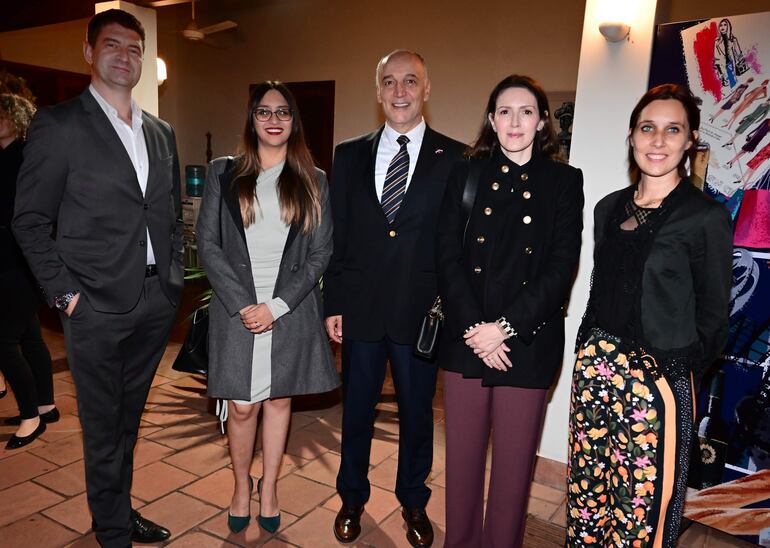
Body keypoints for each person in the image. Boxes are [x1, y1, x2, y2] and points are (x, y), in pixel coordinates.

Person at [13, 9, 182, 546]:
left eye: (135, 48)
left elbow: (168, 211)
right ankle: (112, 532)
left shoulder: (162, 132)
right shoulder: (58, 125)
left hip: (156, 300)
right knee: (103, 427)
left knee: (129, 420)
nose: (125, 57)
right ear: (89, 52)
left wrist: (173, 274)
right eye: (113, 45)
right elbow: (29, 221)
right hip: (94, 307)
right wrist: (66, 295)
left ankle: (119, 509)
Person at [567, 84, 733, 547]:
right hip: (595, 374)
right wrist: (586, 351)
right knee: (587, 496)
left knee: (642, 510)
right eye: (648, 128)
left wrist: (675, 371)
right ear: (631, 136)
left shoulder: (705, 218)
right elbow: (602, 288)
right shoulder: (606, 208)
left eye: (672, 130)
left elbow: (715, 315)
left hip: (657, 380)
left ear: (690, 140)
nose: (657, 141)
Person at [436, 74, 584, 547]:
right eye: (504, 111)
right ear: (491, 119)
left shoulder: (564, 181)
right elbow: (445, 257)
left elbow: (562, 266)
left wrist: (504, 329)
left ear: (543, 121)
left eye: (525, 111)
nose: (514, 121)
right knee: (460, 468)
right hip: (466, 343)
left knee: (513, 475)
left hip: (527, 343)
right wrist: (475, 329)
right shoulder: (465, 173)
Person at [324, 49, 464, 546]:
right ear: (378, 90)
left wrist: (451, 307)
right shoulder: (348, 153)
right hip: (360, 310)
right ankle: (351, 498)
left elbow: (458, 245)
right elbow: (339, 237)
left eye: (410, 81)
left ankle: (413, 503)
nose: (399, 91)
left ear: (426, 90)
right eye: (389, 82)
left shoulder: (457, 157)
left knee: (417, 416)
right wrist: (334, 302)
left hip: (422, 314)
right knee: (356, 411)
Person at [197, 81, 339, 535]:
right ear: (252, 119)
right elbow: (208, 246)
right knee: (241, 407)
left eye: (282, 112)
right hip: (234, 306)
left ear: (294, 121)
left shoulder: (313, 179)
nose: (273, 120)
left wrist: (275, 306)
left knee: (279, 402)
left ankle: (271, 487)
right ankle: (241, 485)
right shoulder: (223, 172)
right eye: (264, 112)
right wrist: (245, 305)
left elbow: (321, 253)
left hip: (288, 307)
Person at [1, 92, 57, 450]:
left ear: (15, 118)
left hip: (21, 261)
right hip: (8, 259)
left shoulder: (24, 157)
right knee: (31, 337)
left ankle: (30, 417)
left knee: (2, 342)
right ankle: (45, 404)